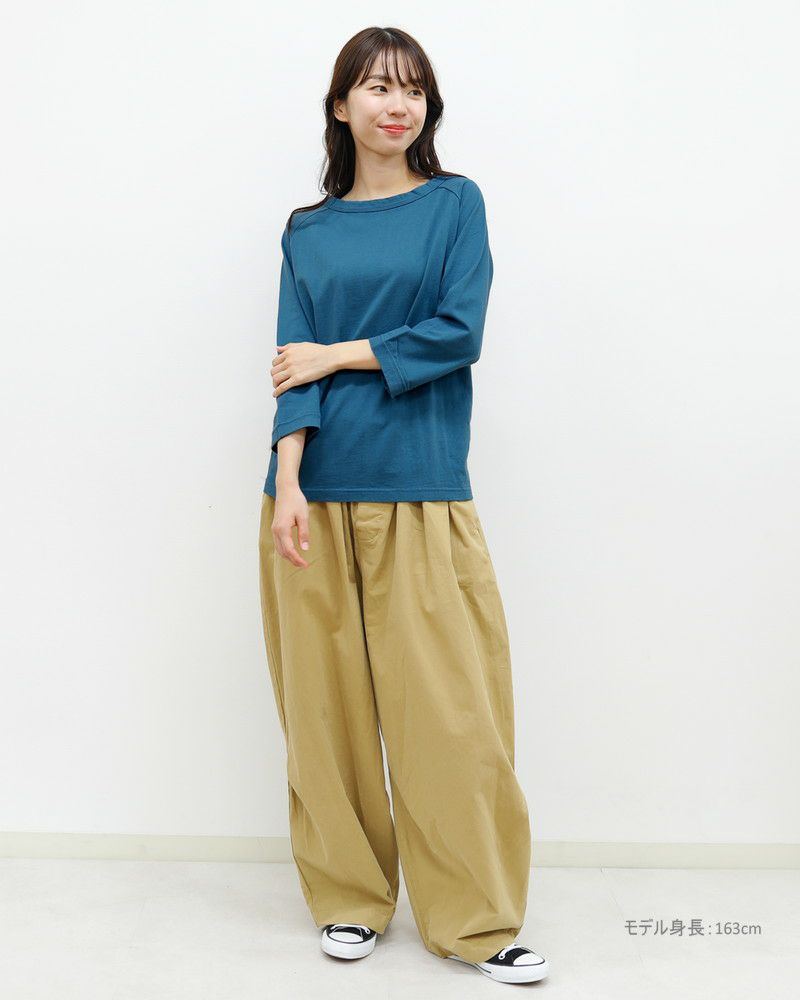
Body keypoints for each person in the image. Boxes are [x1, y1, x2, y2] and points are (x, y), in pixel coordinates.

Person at [257, 26, 550, 986]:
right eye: (379, 88)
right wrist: (287, 483)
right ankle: (350, 899)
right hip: (313, 493)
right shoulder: (307, 229)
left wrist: (338, 355)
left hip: (419, 487)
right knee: (325, 717)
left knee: (452, 718)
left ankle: (478, 922)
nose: (399, 105)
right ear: (340, 106)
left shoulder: (454, 205)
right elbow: (289, 362)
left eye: (415, 89)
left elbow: (457, 331)